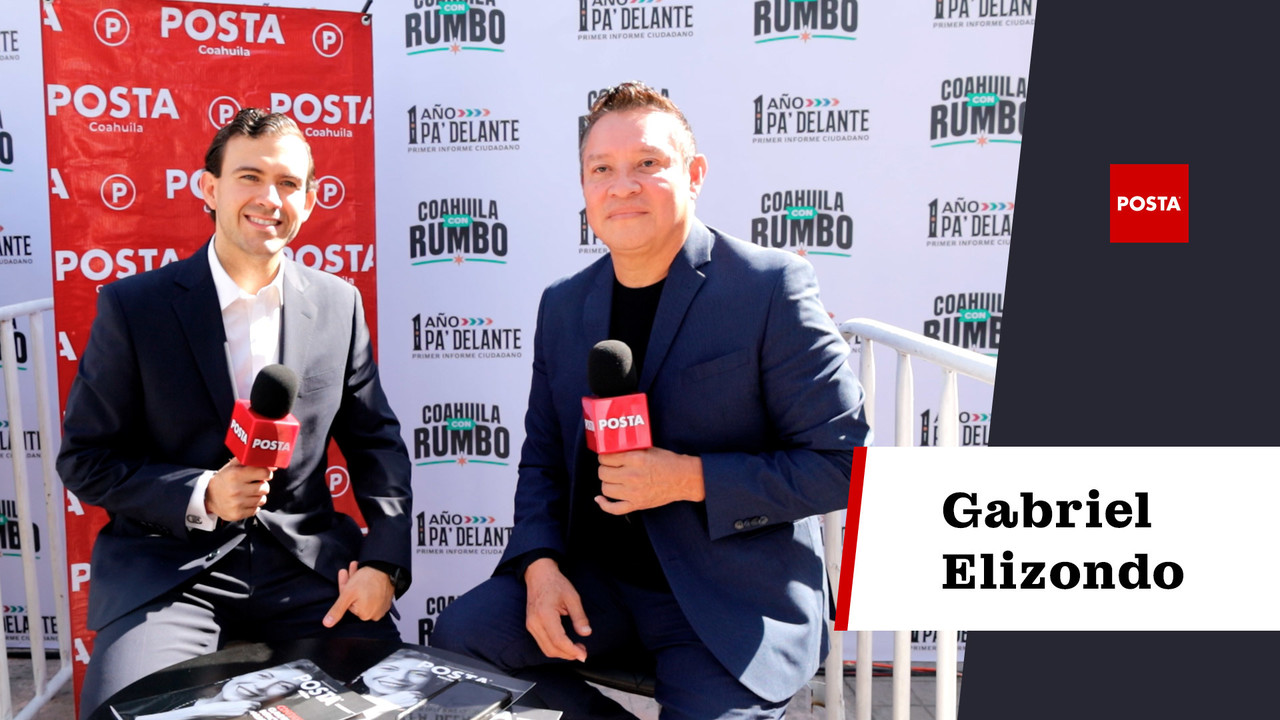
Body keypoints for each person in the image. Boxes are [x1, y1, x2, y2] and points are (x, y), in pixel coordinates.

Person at [432, 82, 869, 720]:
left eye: (647, 165)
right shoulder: (563, 305)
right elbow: (544, 462)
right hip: (596, 588)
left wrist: (687, 478)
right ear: (584, 186)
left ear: (693, 174)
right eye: (601, 169)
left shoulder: (769, 287)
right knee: (461, 643)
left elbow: (844, 464)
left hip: (730, 608)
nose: (622, 185)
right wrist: (540, 566)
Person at [58, 108, 413, 718]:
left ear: (307, 198)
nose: (269, 198)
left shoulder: (338, 303)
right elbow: (86, 459)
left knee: (392, 705)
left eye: (288, 183)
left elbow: (376, 444)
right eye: (249, 177)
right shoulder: (134, 307)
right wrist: (202, 494)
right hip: (170, 573)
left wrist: (383, 562)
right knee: (127, 712)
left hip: (306, 571)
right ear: (209, 187)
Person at [126, 663, 313, 720]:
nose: (261, 687)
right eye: (263, 677)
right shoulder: (172, 697)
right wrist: (201, 711)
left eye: (282, 687)